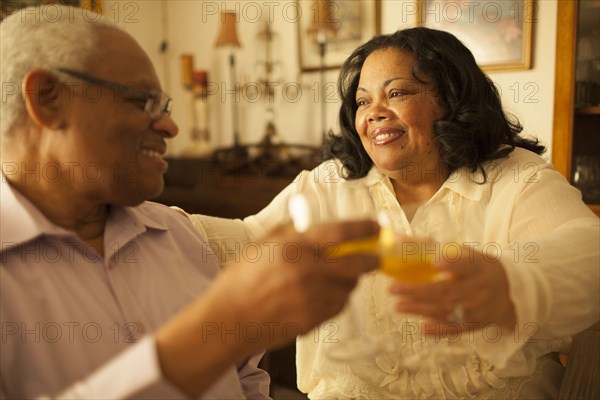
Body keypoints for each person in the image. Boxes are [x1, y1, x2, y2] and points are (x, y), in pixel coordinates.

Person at [182, 28, 600, 399]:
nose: (373, 112)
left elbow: (589, 253)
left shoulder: (515, 179)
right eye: (363, 101)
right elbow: (251, 242)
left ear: (450, 99)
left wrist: (513, 285)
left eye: (397, 93)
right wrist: (152, 223)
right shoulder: (330, 185)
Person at [0, 6, 380, 399]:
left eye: (165, 108)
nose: (170, 126)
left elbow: (247, 379)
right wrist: (221, 325)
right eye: (143, 102)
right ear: (47, 99)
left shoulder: (176, 234)